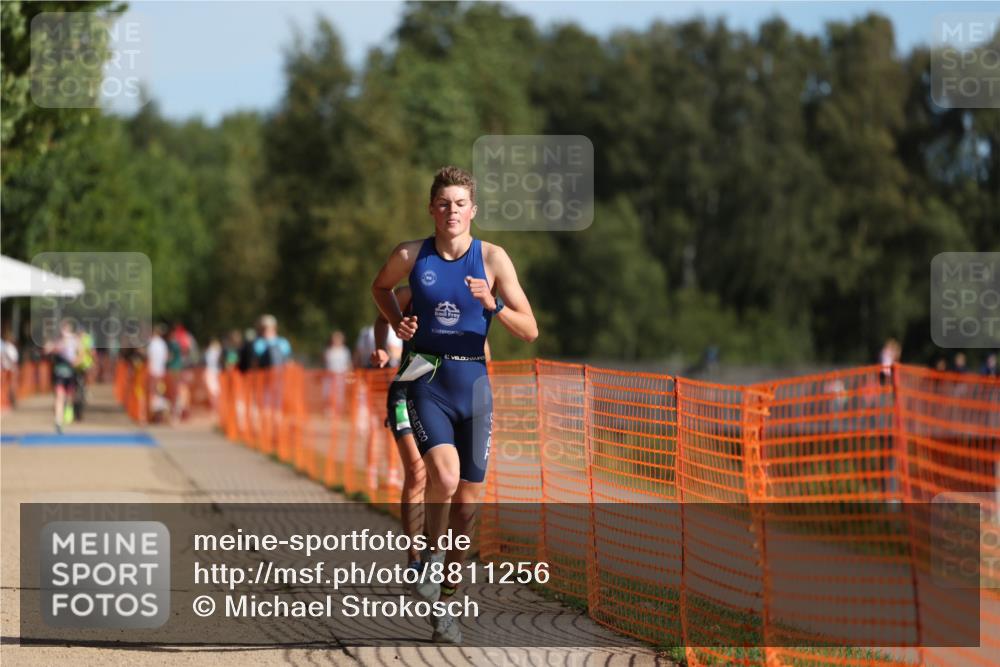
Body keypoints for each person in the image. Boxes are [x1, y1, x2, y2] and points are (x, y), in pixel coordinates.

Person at [371, 165, 537, 643]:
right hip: (427, 375)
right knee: (441, 476)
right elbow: (380, 289)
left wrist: (494, 305)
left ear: (473, 211)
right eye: (444, 203)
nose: (452, 212)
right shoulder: (410, 254)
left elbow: (531, 330)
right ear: (431, 209)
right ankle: (429, 555)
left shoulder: (494, 259)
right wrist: (398, 324)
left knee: (468, 505)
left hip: (475, 385)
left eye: (460, 203)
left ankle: (449, 600)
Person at [44, 319, 80, 433]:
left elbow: (81, 354)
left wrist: (76, 361)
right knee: (59, 397)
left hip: (71, 373)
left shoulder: (75, 341)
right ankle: (58, 422)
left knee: (69, 397)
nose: (65, 332)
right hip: (59, 372)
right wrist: (53, 348)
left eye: (67, 330)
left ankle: (69, 408)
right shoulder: (57, 341)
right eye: (63, 330)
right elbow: (47, 349)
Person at [323, 331, 352, 412]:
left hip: (340, 377)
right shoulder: (329, 350)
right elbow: (326, 363)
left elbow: (348, 364)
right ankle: (328, 409)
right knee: (327, 393)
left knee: (339, 395)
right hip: (329, 377)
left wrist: (349, 377)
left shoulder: (345, 351)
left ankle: (338, 410)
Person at [147, 324, 170, 422]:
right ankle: (159, 415)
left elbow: (149, 357)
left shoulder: (152, 343)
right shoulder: (163, 343)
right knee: (160, 392)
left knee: (153, 392)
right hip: (161, 372)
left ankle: (154, 414)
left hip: (153, 371)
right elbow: (166, 357)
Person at [2, 330, 19, 408]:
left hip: (6, 368)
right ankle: (11, 401)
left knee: (8, 385)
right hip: (10, 369)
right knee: (11, 385)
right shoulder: (10, 347)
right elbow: (13, 359)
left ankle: (10, 400)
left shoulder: (5, 347)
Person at [204, 337, 222, 410]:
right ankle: (216, 405)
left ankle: (216, 405)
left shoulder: (211, 351)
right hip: (213, 371)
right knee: (214, 389)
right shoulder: (213, 351)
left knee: (214, 389)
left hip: (213, 371)